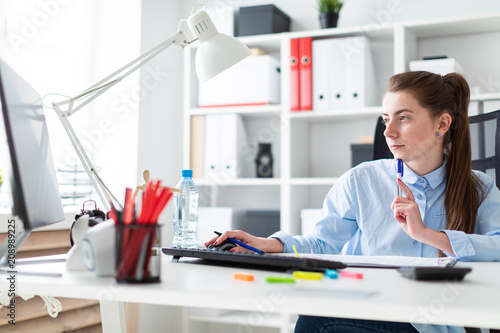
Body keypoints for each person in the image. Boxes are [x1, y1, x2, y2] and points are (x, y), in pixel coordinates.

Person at [205, 71, 500, 333]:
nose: (388, 131)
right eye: (386, 119)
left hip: (426, 322)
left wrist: (427, 235)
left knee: (314, 322)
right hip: (368, 308)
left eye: (404, 117)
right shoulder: (360, 180)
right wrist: (269, 244)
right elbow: (323, 244)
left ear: (442, 123)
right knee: (315, 314)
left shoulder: (479, 188)